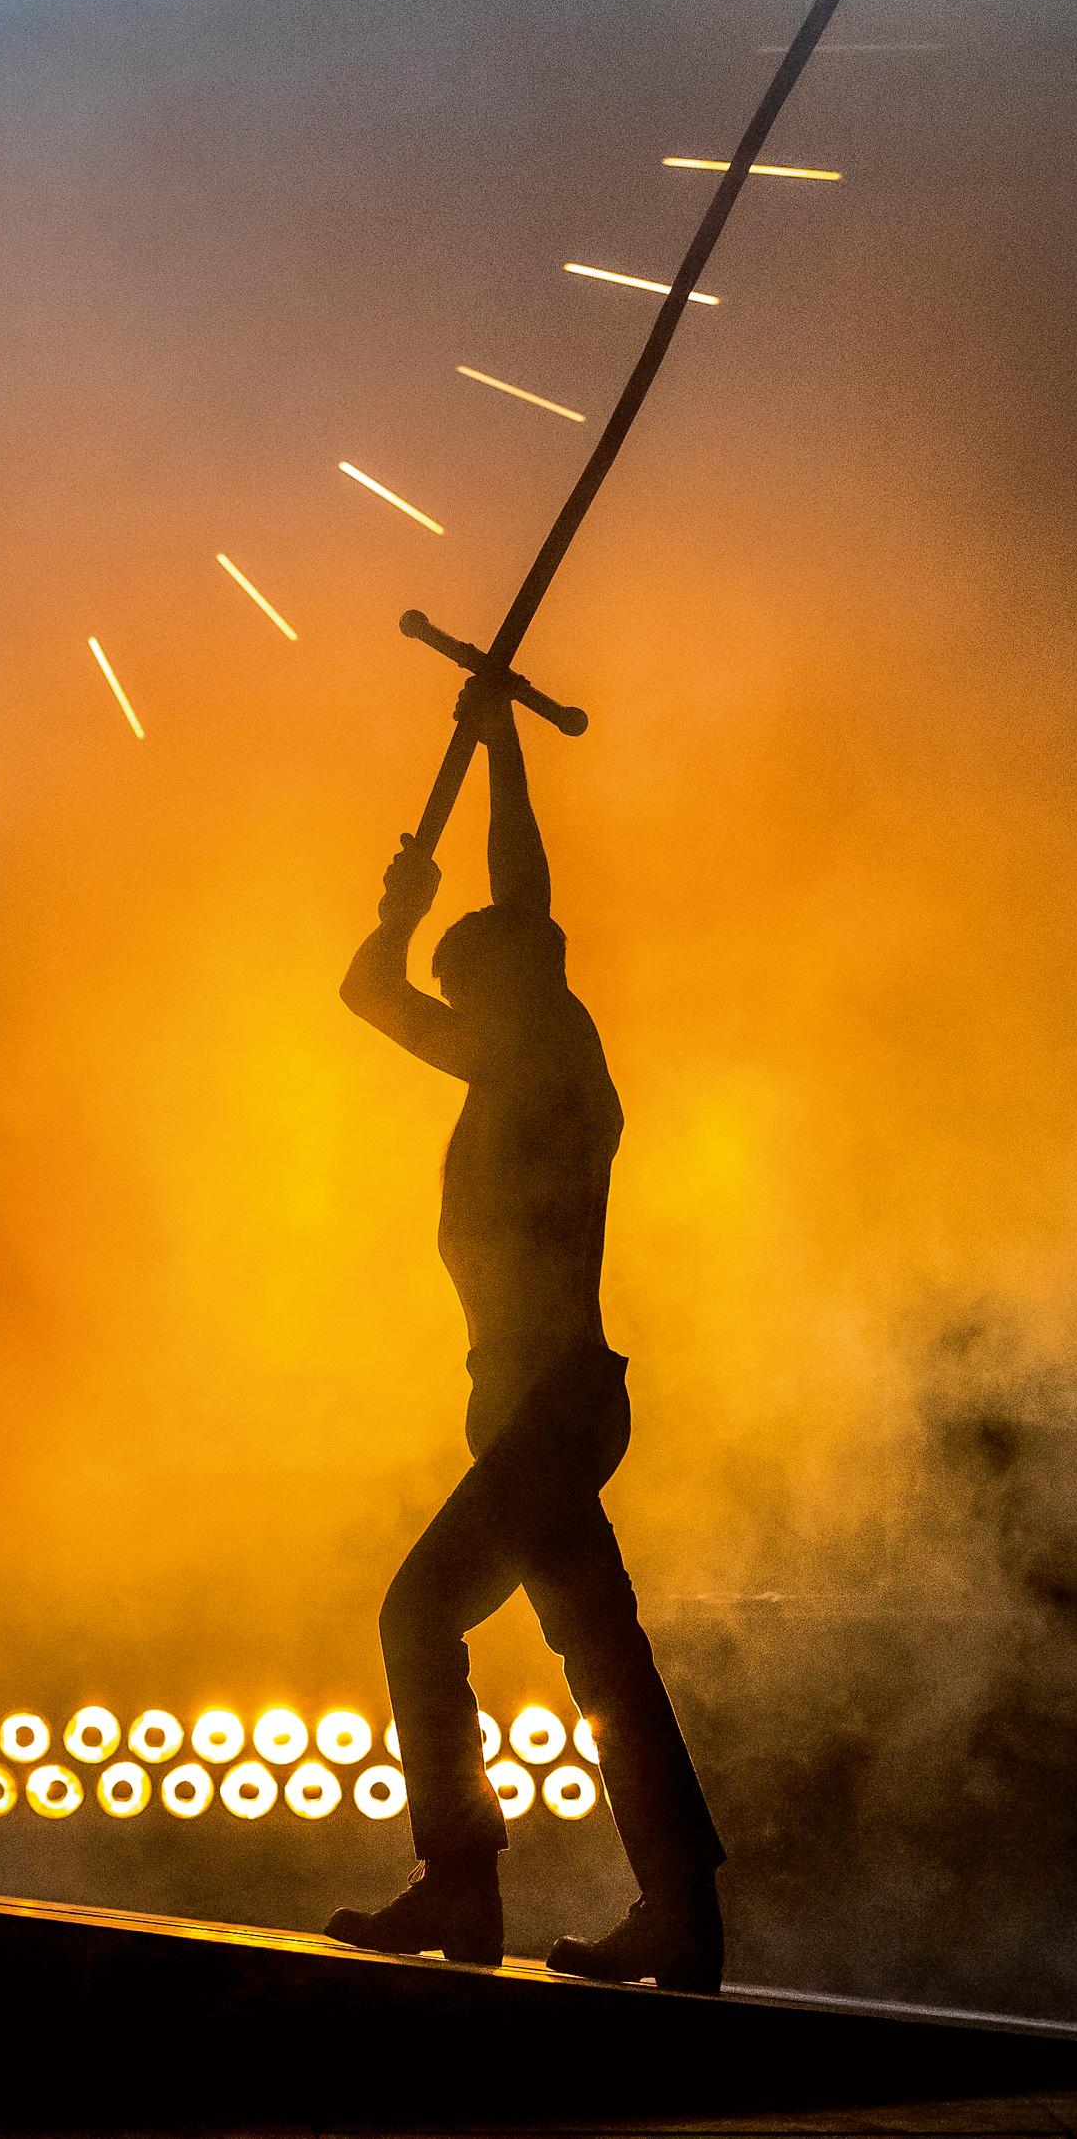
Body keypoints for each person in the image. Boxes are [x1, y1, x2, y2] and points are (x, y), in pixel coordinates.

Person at [322, 673, 726, 1988]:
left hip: (551, 1402)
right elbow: (364, 990)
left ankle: (461, 1877)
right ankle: (674, 1907)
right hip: (532, 1405)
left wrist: (500, 752)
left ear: (512, 978)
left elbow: (522, 898)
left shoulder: (548, 1055)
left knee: (414, 1613)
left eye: (465, 971)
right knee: (599, 1651)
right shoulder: (505, 1064)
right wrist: (398, 913)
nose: (449, 991)